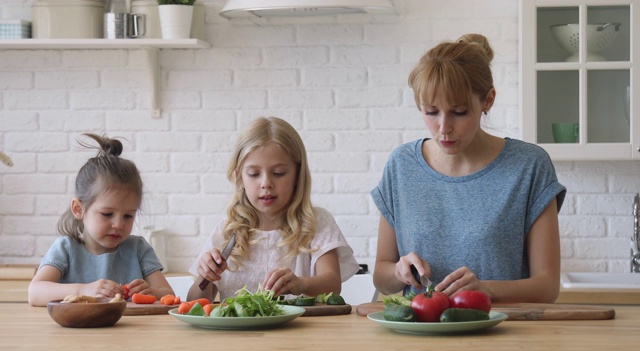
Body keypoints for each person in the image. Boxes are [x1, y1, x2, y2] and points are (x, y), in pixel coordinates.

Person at [371, 34, 566, 304]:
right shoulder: (401, 165)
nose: (443, 127)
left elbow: (547, 287)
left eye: (459, 112)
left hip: (504, 337)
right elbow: (381, 276)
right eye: (431, 112)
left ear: (488, 100)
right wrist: (398, 271)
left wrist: (486, 289)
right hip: (420, 337)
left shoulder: (529, 166)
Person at [187, 117, 359, 302]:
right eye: (254, 174)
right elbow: (193, 302)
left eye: (278, 173)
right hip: (239, 332)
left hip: (303, 330)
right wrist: (205, 276)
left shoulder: (316, 222)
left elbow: (332, 284)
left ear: (297, 175)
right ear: (239, 177)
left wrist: (301, 284)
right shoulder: (227, 231)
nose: (266, 183)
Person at [28, 133, 174, 306]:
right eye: (107, 214)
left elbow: (168, 294)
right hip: (76, 332)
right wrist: (83, 290)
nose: (119, 225)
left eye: (128, 215)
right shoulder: (66, 249)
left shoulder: (138, 249)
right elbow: (35, 293)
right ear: (78, 209)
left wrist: (152, 292)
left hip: (133, 332)